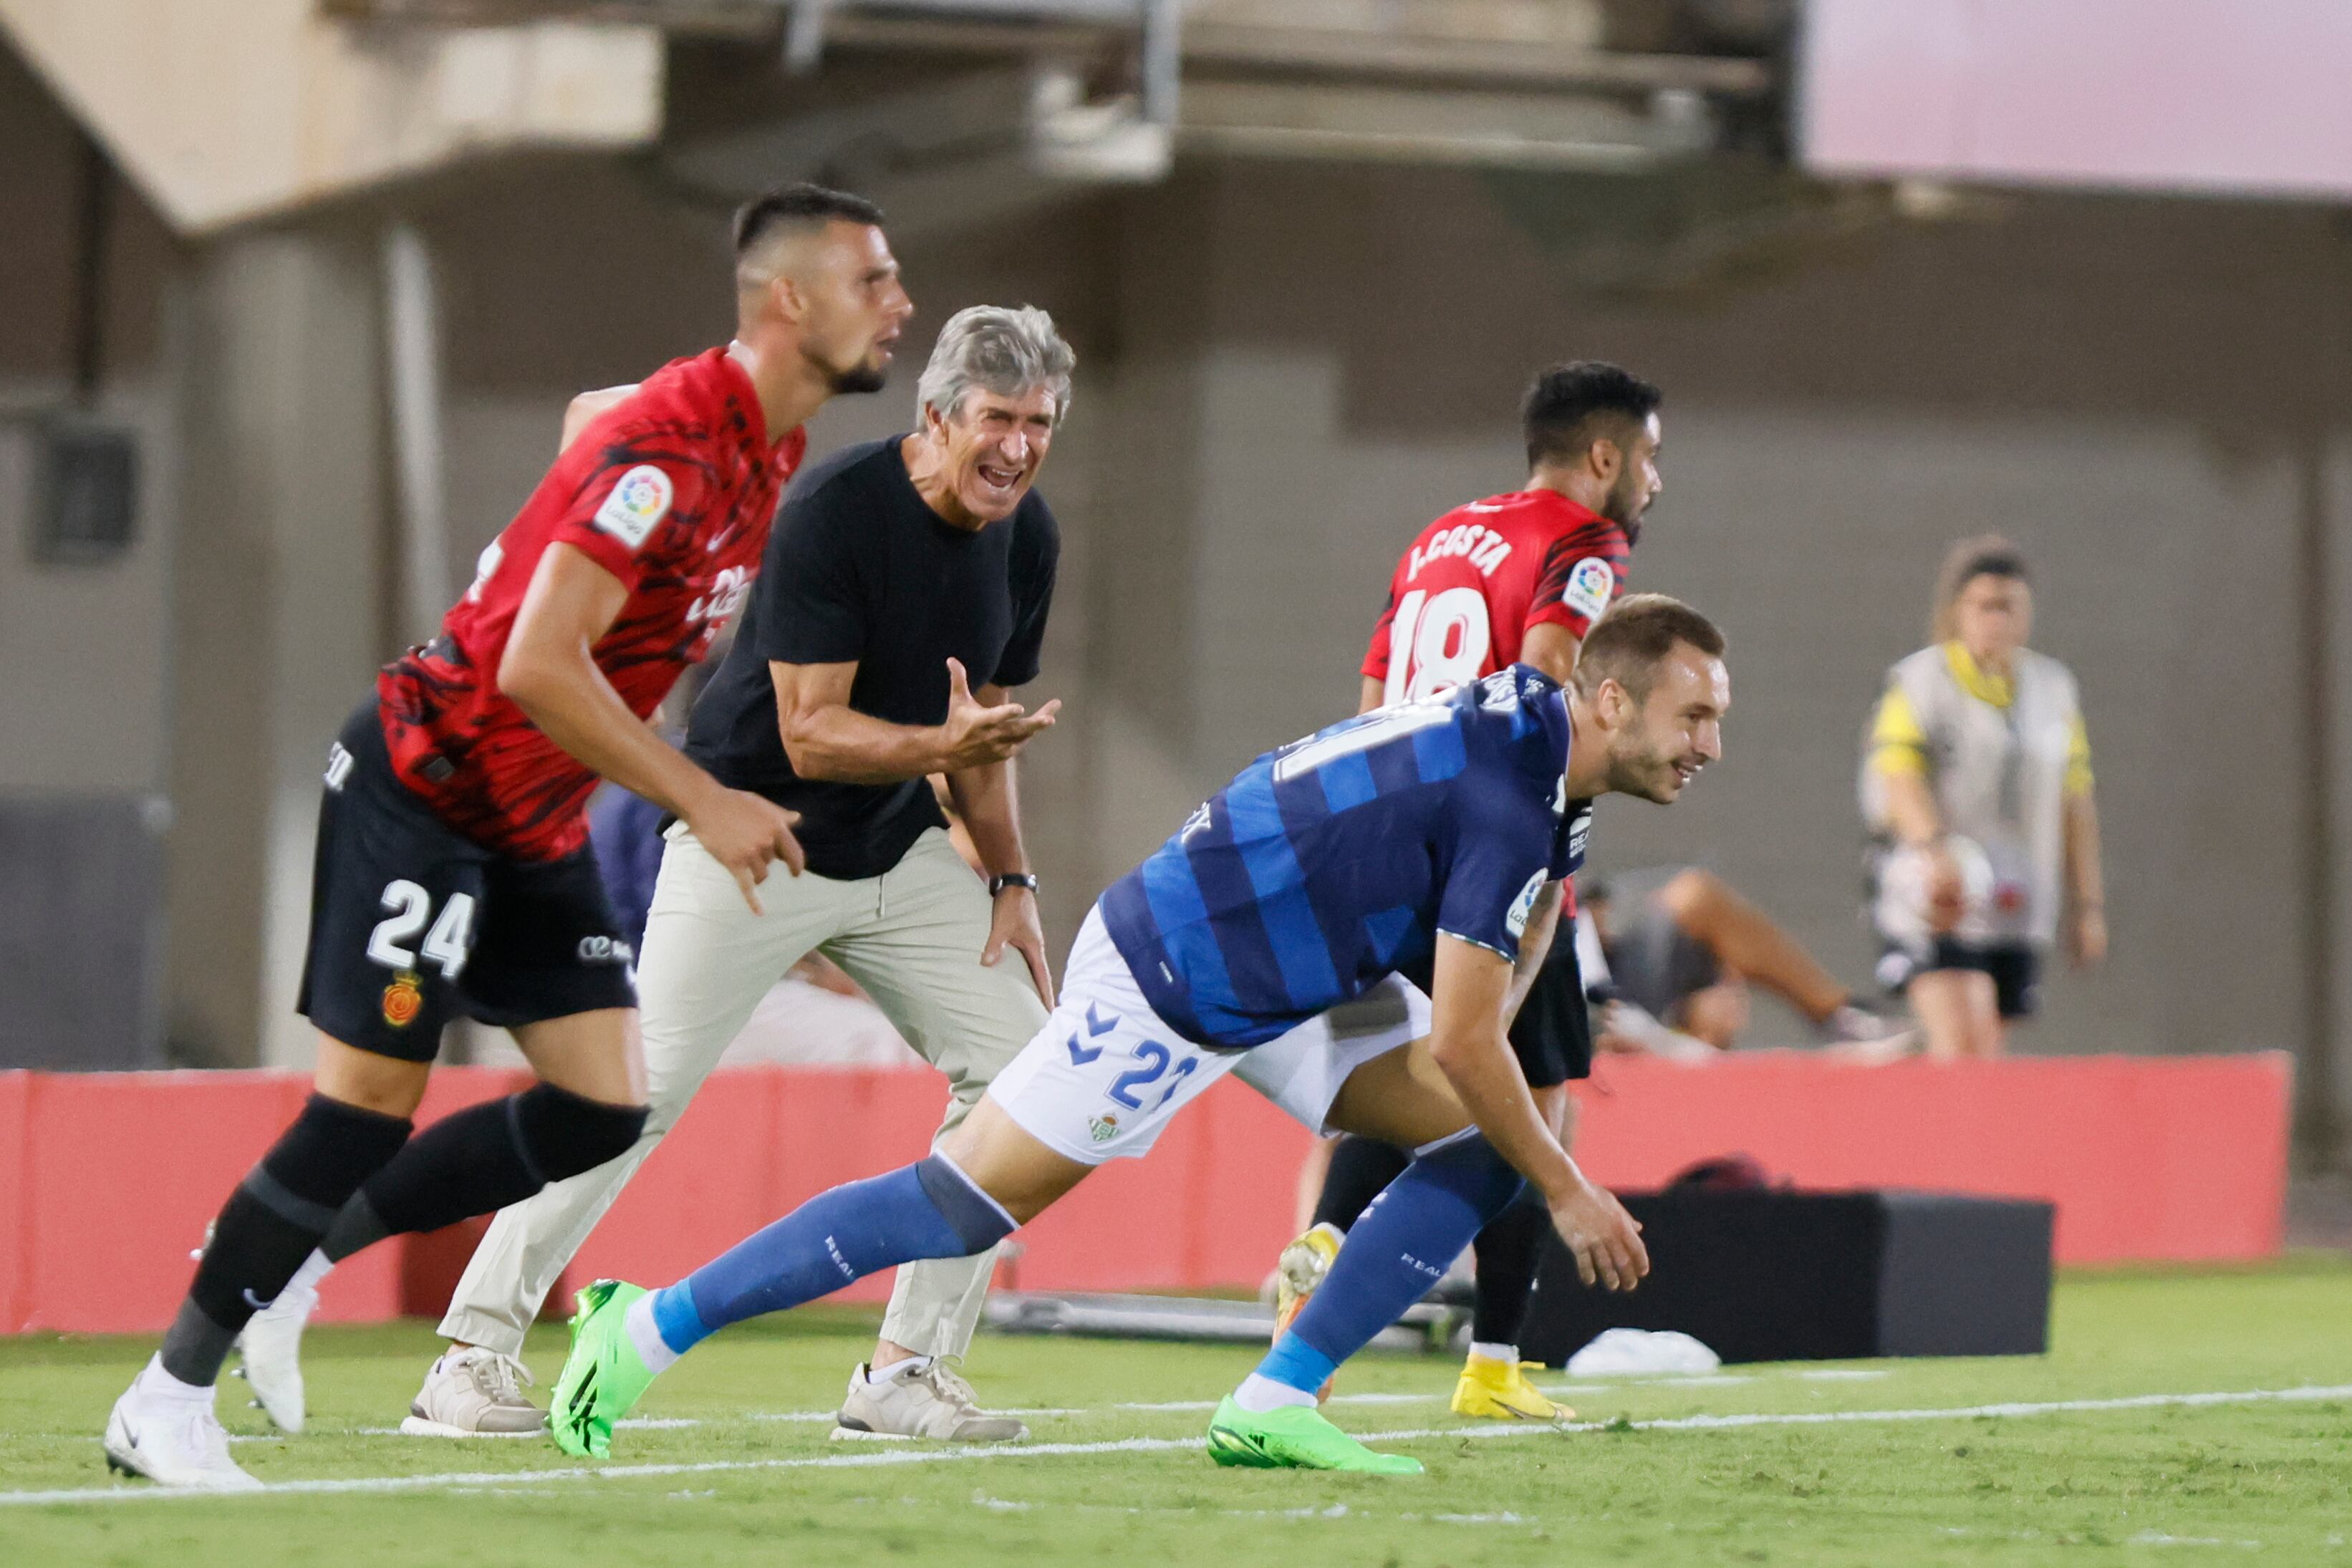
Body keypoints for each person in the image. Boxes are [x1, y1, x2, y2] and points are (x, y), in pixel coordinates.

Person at [102, 182, 907, 1489]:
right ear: (789, 299)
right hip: (429, 782)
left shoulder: (760, 442)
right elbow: (537, 663)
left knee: (602, 1105)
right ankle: (164, 1396)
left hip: (529, 815)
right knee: (363, 1109)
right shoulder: (672, 449)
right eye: (872, 279)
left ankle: (294, 1262)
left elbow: (593, 422)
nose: (897, 303)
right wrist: (703, 798)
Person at [546, 594, 1730, 1475]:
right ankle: (645, 1324)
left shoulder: (1539, 729)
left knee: (1485, 1148)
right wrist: (1571, 1188)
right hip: (1185, 970)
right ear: (1611, 701)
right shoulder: (1513, 792)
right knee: (957, 1206)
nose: (1709, 746)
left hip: (1293, 965)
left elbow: (1522, 928)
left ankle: (1276, 1401)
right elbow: (1470, 1043)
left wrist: (1524, 1114)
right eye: (1693, 716)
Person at [376, 304, 1072, 1443]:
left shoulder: (1027, 534)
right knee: (628, 1100)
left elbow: (981, 731)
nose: (1018, 445)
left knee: (1026, 1079)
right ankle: (469, 1354)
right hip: (751, 836)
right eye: (998, 418)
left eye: (1039, 423)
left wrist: (1013, 882)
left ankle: (904, 1373)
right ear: (937, 416)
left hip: (895, 847)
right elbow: (811, 733)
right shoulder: (838, 512)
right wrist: (944, 750)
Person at [1861, 536, 2106, 1058]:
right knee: (1960, 1039)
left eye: (2008, 607)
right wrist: (1934, 849)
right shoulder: (1923, 681)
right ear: (1957, 611)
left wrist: (2087, 904)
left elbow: (2075, 800)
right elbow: (1897, 771)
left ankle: (1906, 1080)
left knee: (1986, 1052)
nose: (1996, 620)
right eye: (1983, 606)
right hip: (1942, 895)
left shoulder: (2053, 689)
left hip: (2017, 898)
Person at [1583, 867, 1916, 1057]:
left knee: (1695, 897)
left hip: (1612, 984)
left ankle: (1839, 1019)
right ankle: (1693, 1046)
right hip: (1586, 1017)